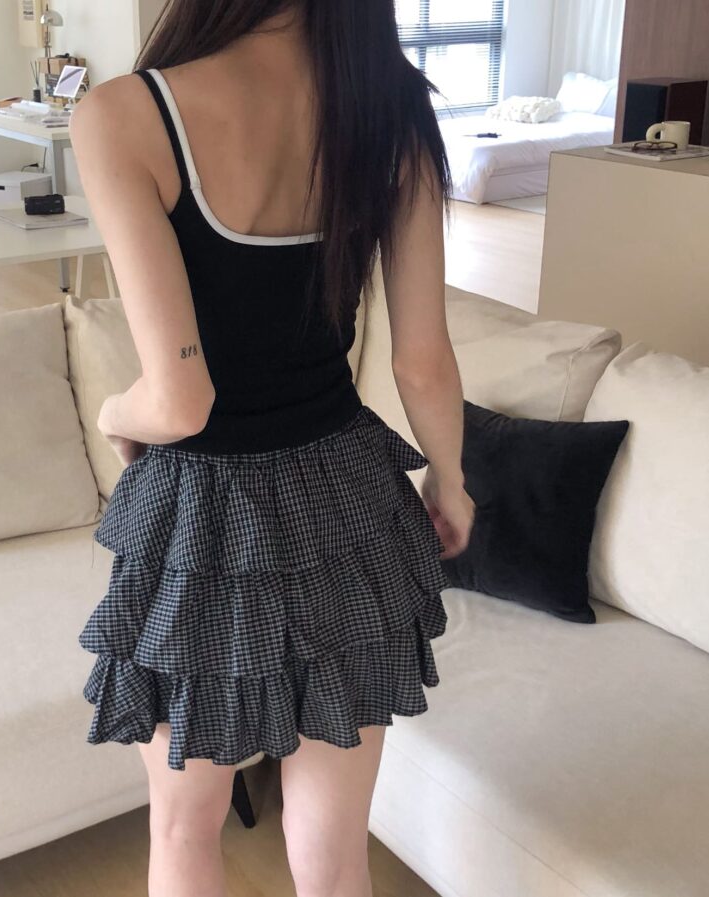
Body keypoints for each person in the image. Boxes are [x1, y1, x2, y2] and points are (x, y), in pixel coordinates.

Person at [70, 1, 475, 895]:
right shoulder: (390, 103)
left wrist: (110, 413)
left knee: (185, 827)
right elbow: (421, 358)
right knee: (333, 849)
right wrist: (448, 480)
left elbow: (178, 401)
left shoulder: (125, 114)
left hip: (201, 523)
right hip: (348, 502)